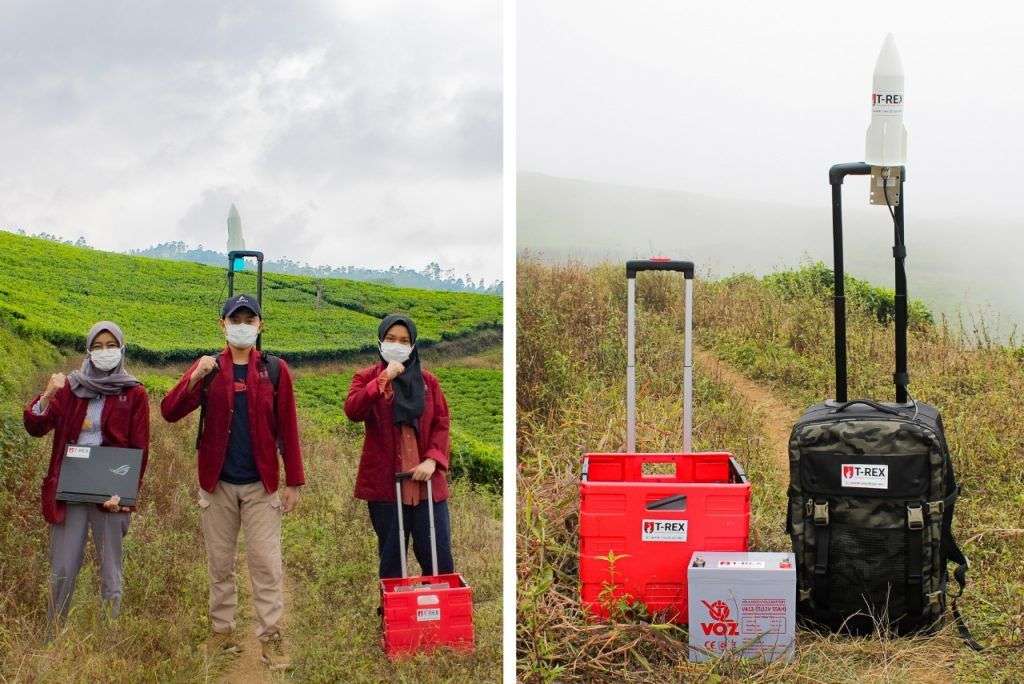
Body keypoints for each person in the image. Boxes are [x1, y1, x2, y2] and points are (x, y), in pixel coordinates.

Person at [160, 294, 303, 671]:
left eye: (249, 319)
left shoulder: (274, 370)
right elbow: (169, 412)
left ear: (260, 326)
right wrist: (194, 377)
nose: (242, 324)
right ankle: (222, 635)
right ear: (222, 324)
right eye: (234, 318)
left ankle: (271, 637)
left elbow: (287, 427)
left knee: (265, 562)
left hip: (261, 485)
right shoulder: (210, 368)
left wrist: (294, 482)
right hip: (217, 483)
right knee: (220, 563)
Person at [23, 321, 149, 630]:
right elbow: (36, 427)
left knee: (110, 573)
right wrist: (48, 395)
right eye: (98, 346)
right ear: (88, 351)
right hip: (70, 488)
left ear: (121, 350)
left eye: (111, 346)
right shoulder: (70, 388)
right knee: (63, 568)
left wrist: (125, 495)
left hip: (110, 492)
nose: (104, 352)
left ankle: (109, 641)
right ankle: (53, 635)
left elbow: (140, 449)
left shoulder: (134, 393)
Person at [344, 314, 455, 583]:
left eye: (404, 341)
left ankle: (438, 616)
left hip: (427, 485)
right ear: (380, 342)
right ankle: (393, 619)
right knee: (392, 559)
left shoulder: (428, 382)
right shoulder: (366, 377)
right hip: (386, 486)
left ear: (413, 346)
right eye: (391, 339)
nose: (397, 345)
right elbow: (354, 410)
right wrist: (384, 378)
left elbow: (442, 423)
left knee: (438, 558)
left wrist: (432, 460)